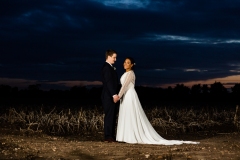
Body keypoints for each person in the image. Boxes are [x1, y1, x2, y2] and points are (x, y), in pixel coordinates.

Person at [116, 57, 199, 145]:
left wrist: (118, 96)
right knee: (126, 114)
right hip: (125, 96)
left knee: (131, 114)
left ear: (132, 65)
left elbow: (125, 86)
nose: (125, 64)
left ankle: (131, 136)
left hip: (129, 95)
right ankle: (125, 136)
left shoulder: (131, 74)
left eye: (128, 62)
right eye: (125, 62)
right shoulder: (126, 73)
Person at [101, 49, 119, 143]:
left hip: (110, 96)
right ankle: (108, 136)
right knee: (109, 116)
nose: (115, 59)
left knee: (112, 116)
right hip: (108, 96)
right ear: (108, 56)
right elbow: (108, 83)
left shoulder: (110, 67)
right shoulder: (106, 68)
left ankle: (111, 136)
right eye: (114, 57)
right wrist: (114, 94)